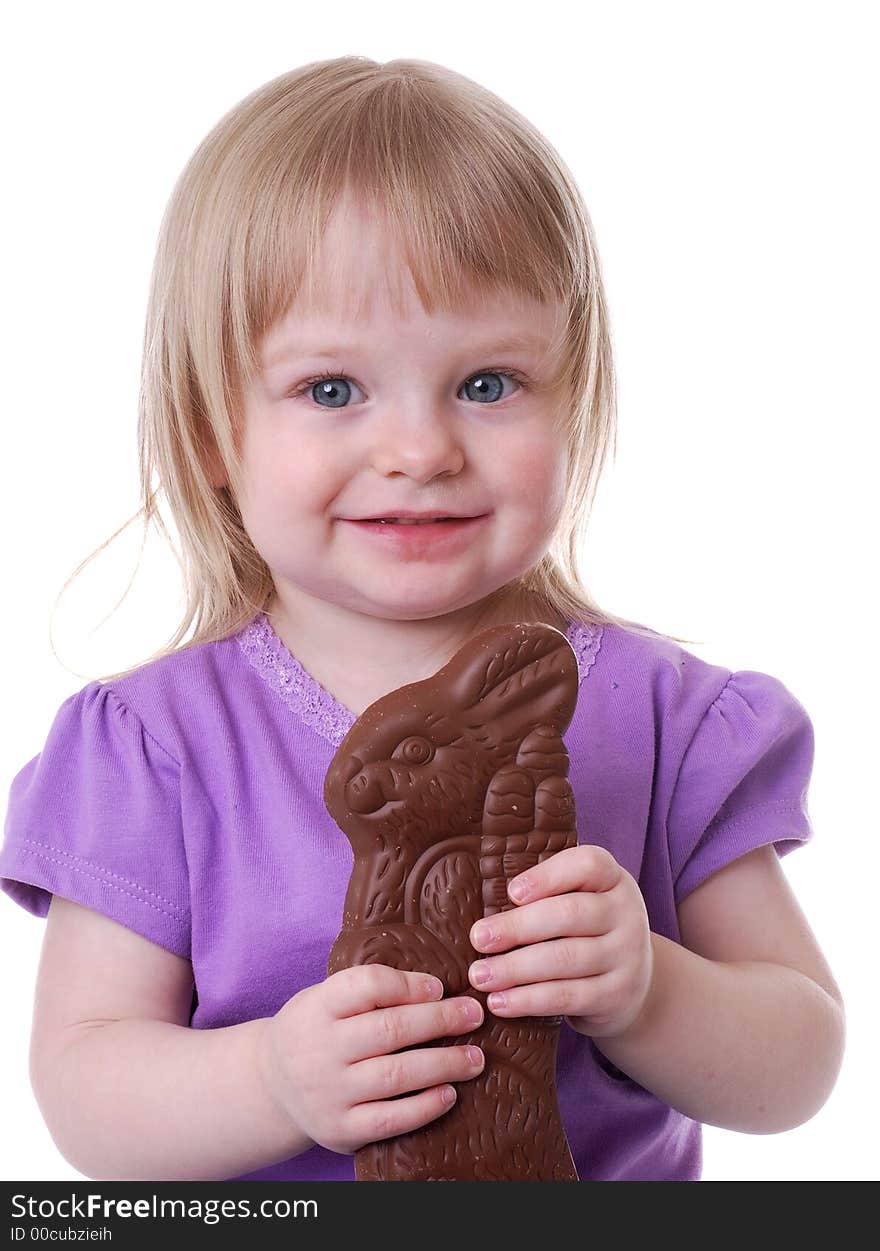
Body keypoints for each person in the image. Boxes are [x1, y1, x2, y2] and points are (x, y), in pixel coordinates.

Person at [0, 56, 844, 1183]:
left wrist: (648, 987)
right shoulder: (154, 749)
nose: (421, 451)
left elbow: (799, 1063)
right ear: (210, 429)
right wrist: (270, 1081)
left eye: (487, 383)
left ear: (575, 398)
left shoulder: (669, 720)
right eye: (333, 390)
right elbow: (86, 1092)